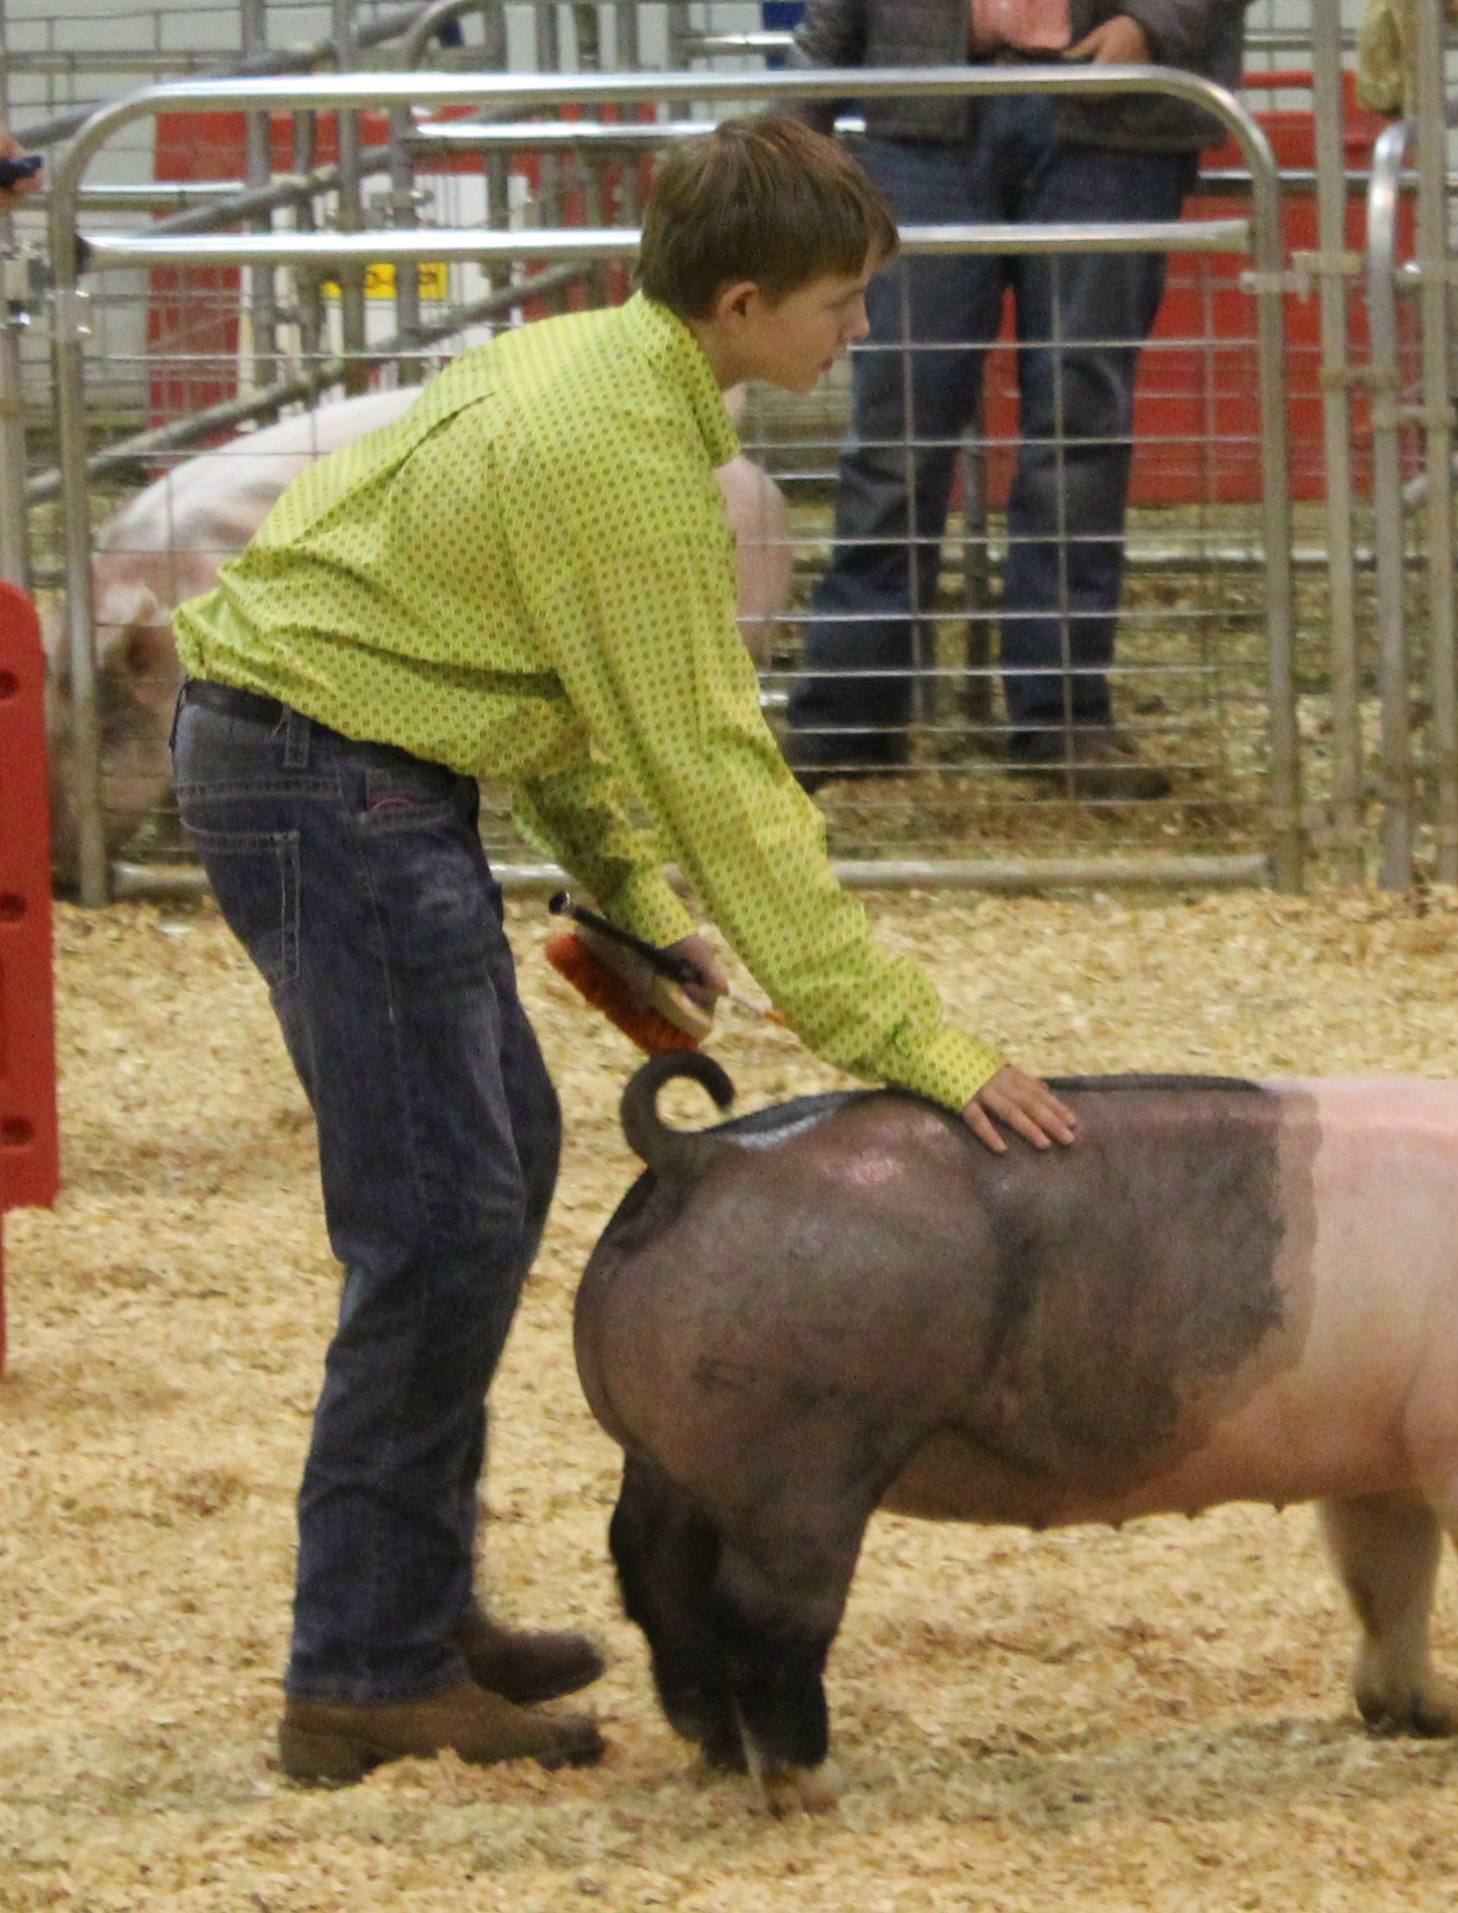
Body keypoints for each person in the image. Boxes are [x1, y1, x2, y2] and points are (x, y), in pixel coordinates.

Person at [169, 115, 1079, 1786]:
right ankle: (356, 1665)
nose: (854, 335)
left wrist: (631, 898)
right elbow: (717, 774)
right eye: (836, 305)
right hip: (333, 778)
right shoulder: (629, 464)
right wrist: (906, 1039)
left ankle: (407, 1603)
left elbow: (563, 691)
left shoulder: (594, 364)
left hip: (338, 761)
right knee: (436, 1221)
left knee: (489, 1174)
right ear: (739, 303)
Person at [781, 0, 1253, 802]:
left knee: (1077, 422)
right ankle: (848, 717)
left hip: (1109, 116)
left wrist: (1152, 23)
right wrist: (797, 121)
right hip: (929, 109)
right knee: (899, 422)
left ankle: (1060, 714)